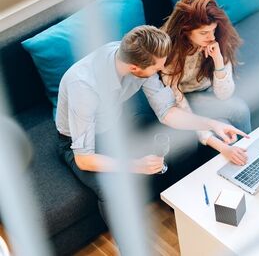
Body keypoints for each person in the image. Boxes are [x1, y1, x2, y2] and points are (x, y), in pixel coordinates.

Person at [56, 25, 248, 213]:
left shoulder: (135, 54)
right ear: (135, 68)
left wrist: (212, 123)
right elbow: (84, 159)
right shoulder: (83, 86)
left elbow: (167, 112)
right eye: (158, 66)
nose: (163, 68)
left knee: (184, 139)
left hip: (116, 123)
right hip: (78, 143)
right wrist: (137, 165)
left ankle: (181, 205)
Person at [161, 0, 252, 166]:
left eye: (213, 30)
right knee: (223, 132)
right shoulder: (168, 53)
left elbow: (224, 95)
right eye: (203, 33)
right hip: (183, 96)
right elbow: (178, 101)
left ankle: (246, 159)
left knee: (238, 111)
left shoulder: (218, 37)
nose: (211, 37)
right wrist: (208, 137)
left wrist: (218, 60)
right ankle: (238, 166)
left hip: (209, 89)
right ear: (185, 31)